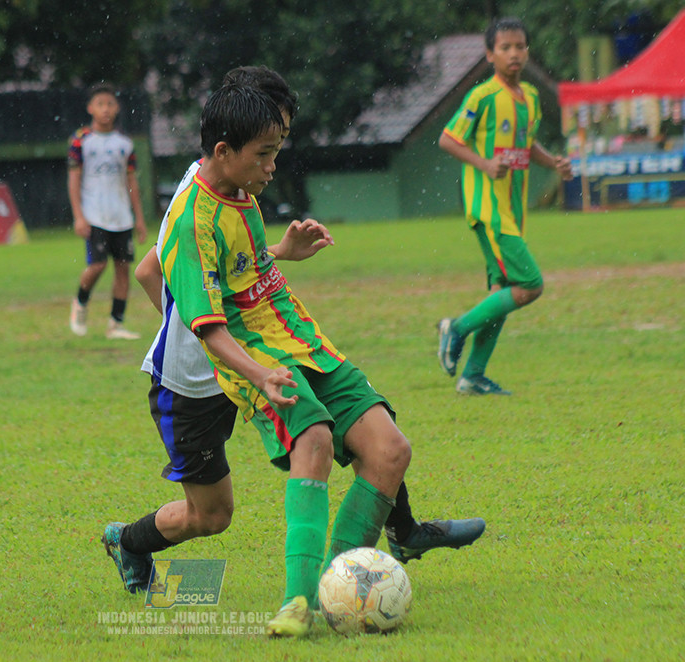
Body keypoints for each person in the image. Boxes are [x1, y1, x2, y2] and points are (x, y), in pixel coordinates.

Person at [101, 68, 484, 608]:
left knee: (368, 432)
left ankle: (380, 548)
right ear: (227, 143)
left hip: (262, 354)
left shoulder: (239, 186)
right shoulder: (196, 196)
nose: (274, 163)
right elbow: (150, 271)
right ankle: (127, 541)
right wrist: (201, 326)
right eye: (267, 147)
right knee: (211, 516)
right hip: (195, 376)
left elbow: (238, 260)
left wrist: (271, 259)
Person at [436, 17, 574, 395]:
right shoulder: (481, 97)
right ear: (490, 55)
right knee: (530, 284)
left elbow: (527, 146)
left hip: (512, 209)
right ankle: (456, 328)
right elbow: (448, 140)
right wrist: (483, 163)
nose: (514, 54)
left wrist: (554, 163)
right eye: (505, 48)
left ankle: (473, 375)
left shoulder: (529, 97)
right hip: (487, 207)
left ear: (527, 51)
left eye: (520, 46)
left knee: (503, 290)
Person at [67, 82, 148, 340]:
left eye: (110, 103)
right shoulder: (81, 140)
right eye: (100, 103)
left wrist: (139, 218)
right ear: (90, 108)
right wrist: (79, 216)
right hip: (94, 215)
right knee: (98, 265)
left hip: (121, 216)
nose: (105, 109)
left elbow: (132, 181)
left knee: (124, 269)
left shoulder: (125, 143)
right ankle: (80, 302)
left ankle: (116, 324)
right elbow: (73, 179)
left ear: (117, 108)